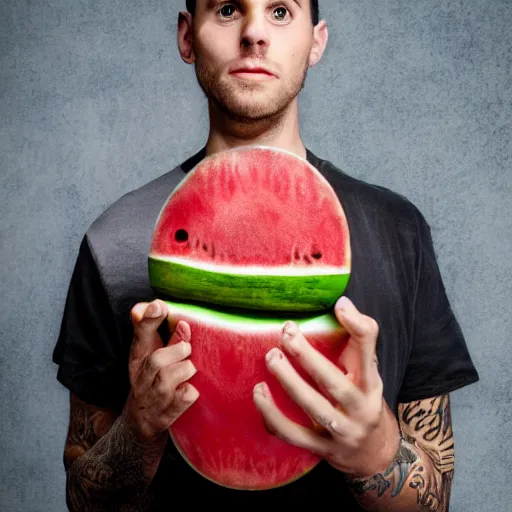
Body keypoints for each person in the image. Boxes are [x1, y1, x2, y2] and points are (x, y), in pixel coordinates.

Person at [53, 1, 479, 510]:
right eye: (229, 9)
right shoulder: (114, 241)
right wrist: (138, 429)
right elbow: (82, 500)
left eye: (281, 11)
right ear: (187, 37)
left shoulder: (399, 232)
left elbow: (438, 495)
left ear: (316, 41)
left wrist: (376, 453)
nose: (255, 33)